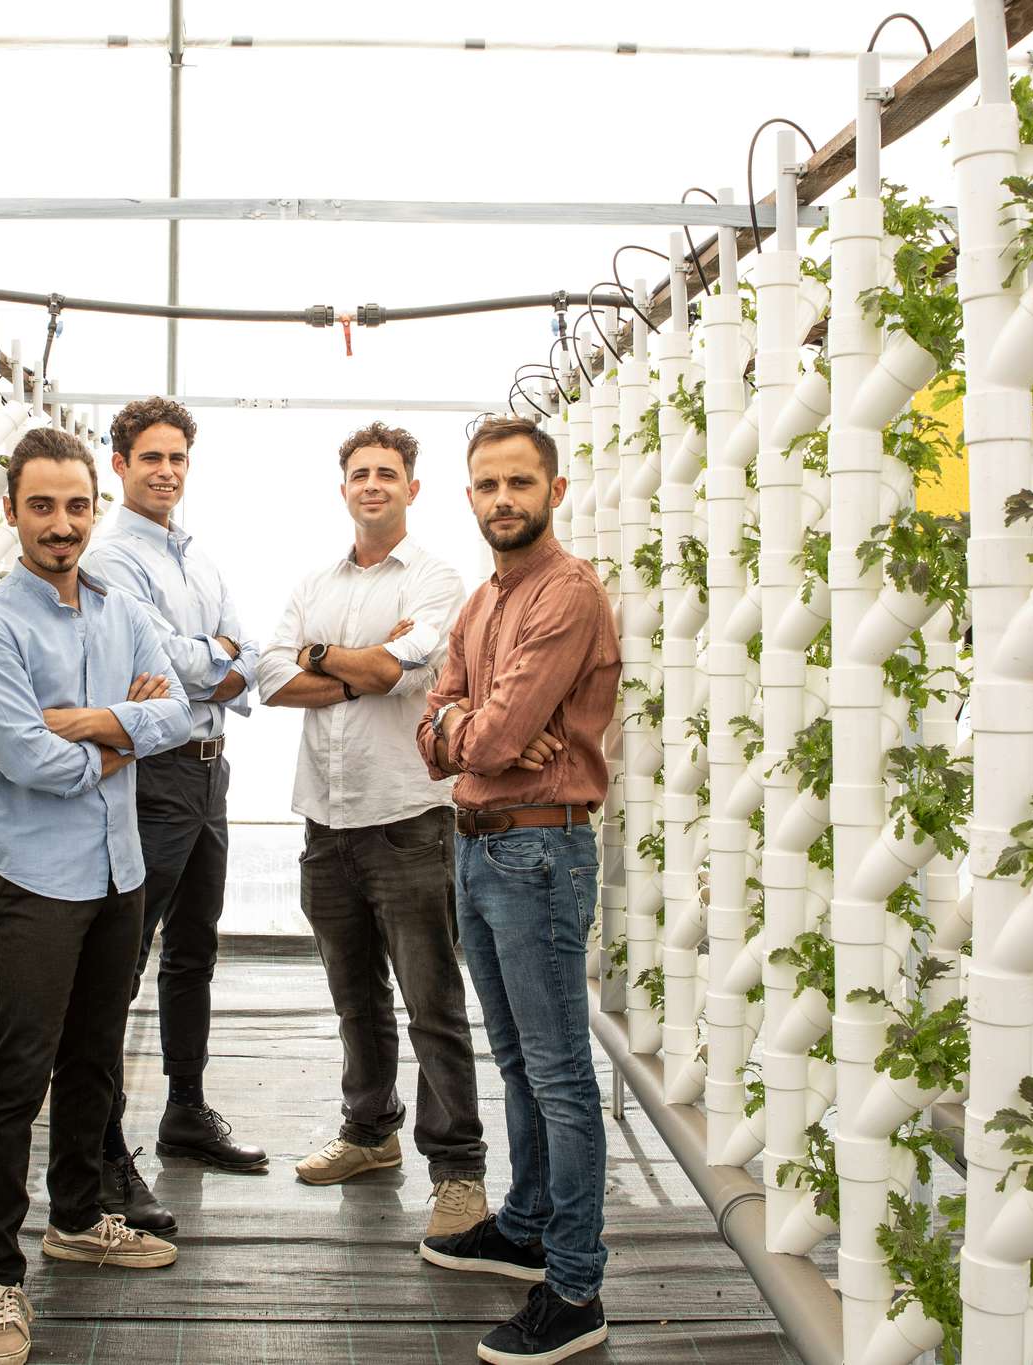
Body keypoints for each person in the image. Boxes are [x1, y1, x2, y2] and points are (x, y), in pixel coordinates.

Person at [0, 427, 195, 1365]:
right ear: (12, 511)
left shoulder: (120, 608)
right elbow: (26, 758)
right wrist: (119, 740)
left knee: (96, 1057)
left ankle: (78, 1216)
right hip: (35, 879)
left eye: (77, 505)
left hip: (116, 871)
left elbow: (176, 712)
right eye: (43, 506)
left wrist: (93, 723)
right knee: (19, 1071)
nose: (62, 524)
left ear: (96, 508)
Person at [415, 415, 621, 1364]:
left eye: (520, 483)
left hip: (539, 851)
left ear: (554, 490)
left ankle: (575, 1286)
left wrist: (473, 731)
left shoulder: (566, 593)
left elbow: (491, 738)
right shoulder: (483, 601)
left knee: (561, 1074)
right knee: (517, 1061)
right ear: (471, 497)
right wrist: (467, 728)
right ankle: (528, 1224)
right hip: (480, 847)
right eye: (488, 485)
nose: (504, 499)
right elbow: (439, 728)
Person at [255, 421, 488, 1238]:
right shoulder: (314, 580)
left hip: (408, 820)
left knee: (432, 1003)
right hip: (326, 822)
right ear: (344, 487)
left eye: (387, 473)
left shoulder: (437, 579)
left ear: (412, 488)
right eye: (361, 473)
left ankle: (458, 1170)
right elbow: (270, 677)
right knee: (355, 998)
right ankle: (369, 1132)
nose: (373, 484)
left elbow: (406, 666)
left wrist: (321, 656)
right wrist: (355, 663)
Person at [80, 396, 267, 1238]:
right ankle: (102, 1148)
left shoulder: (198, 559)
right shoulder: (112, 559)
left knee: (194, 950)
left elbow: (247, 655)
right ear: (119, 463)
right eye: (150, 457)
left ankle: (184, 1110)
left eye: (177, 458)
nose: (166, 471)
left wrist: (220, 660)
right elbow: (165, 660)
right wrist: (219, 659)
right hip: (153, 774)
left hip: (209, 770)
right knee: (121, 962)